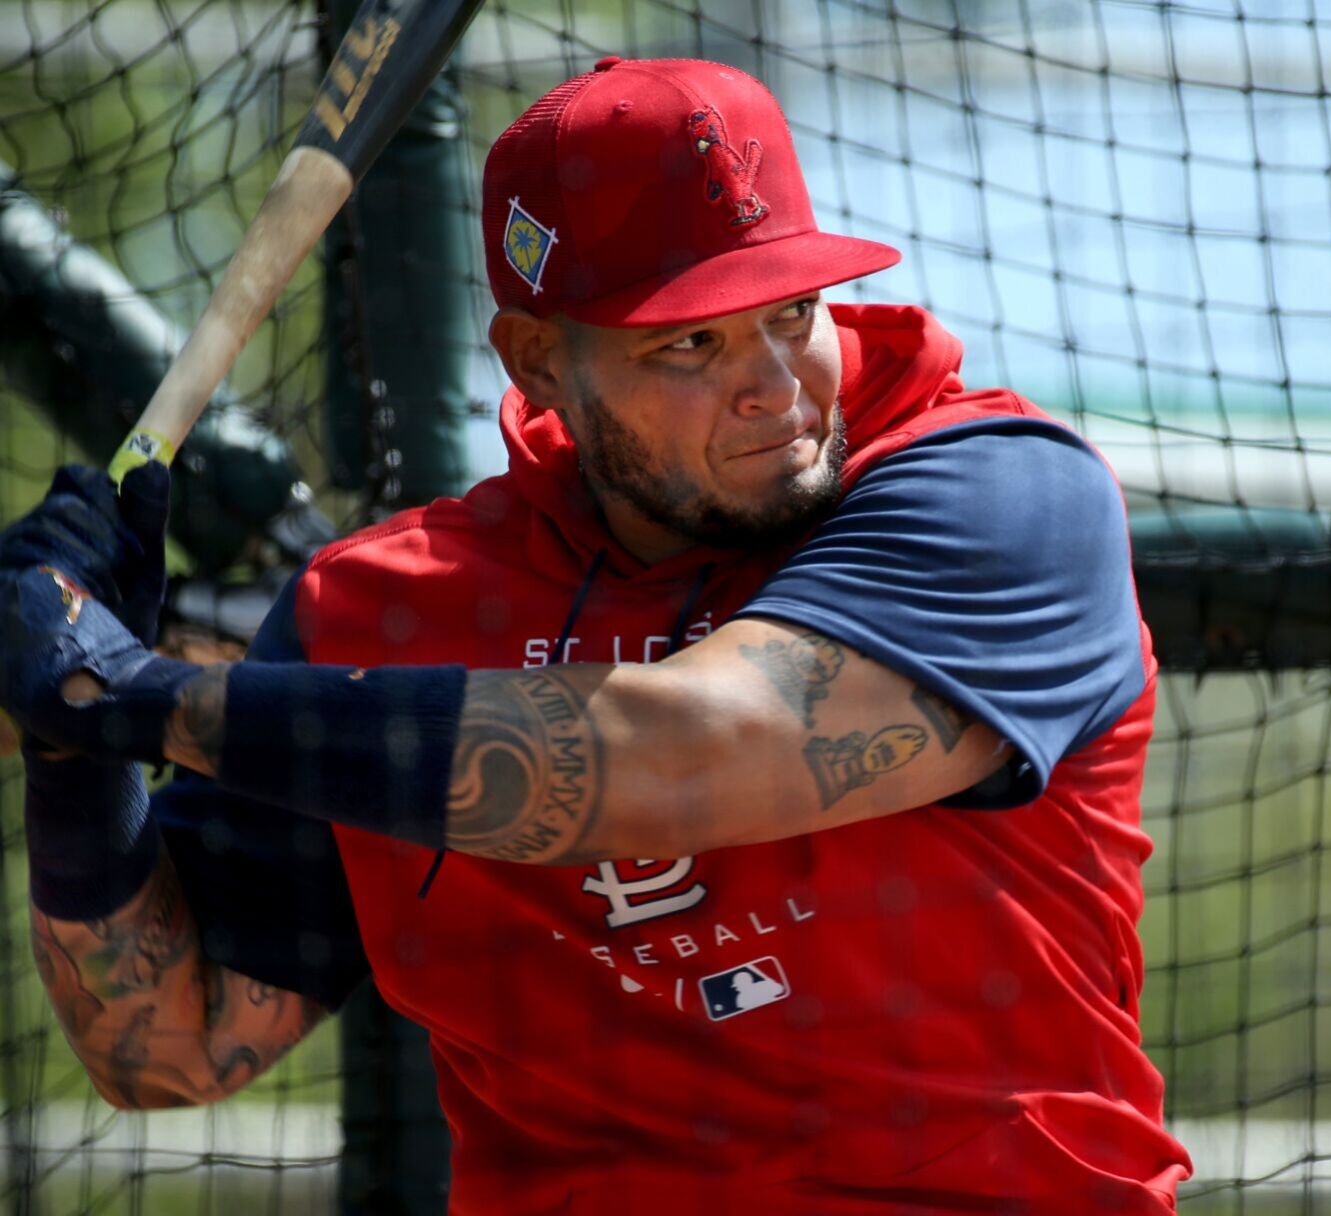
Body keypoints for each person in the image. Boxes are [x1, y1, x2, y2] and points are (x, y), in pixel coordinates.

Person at [0, 57, 1191, 1214]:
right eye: (691, 342)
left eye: (792, 312)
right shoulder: (385, 609)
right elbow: (167, 1047)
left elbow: (684, 754)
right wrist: (66, 737)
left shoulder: (996, 494)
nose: (776, 386)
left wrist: (130, 694)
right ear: (537, 359)